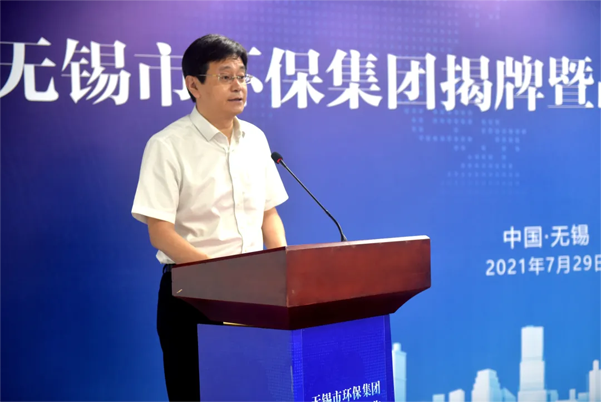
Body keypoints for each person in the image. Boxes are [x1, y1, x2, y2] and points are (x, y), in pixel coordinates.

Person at [131, 34, 289, 401]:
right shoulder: (167, 145)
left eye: (242, 76)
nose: (238, 86)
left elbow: (269, 215)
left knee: (255, 393)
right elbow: (160, 233)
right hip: (192, 296)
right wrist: (220, 279)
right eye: (225, 76)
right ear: (194, 85)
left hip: (255, 295)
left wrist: (282, 269)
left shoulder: (256, 140)